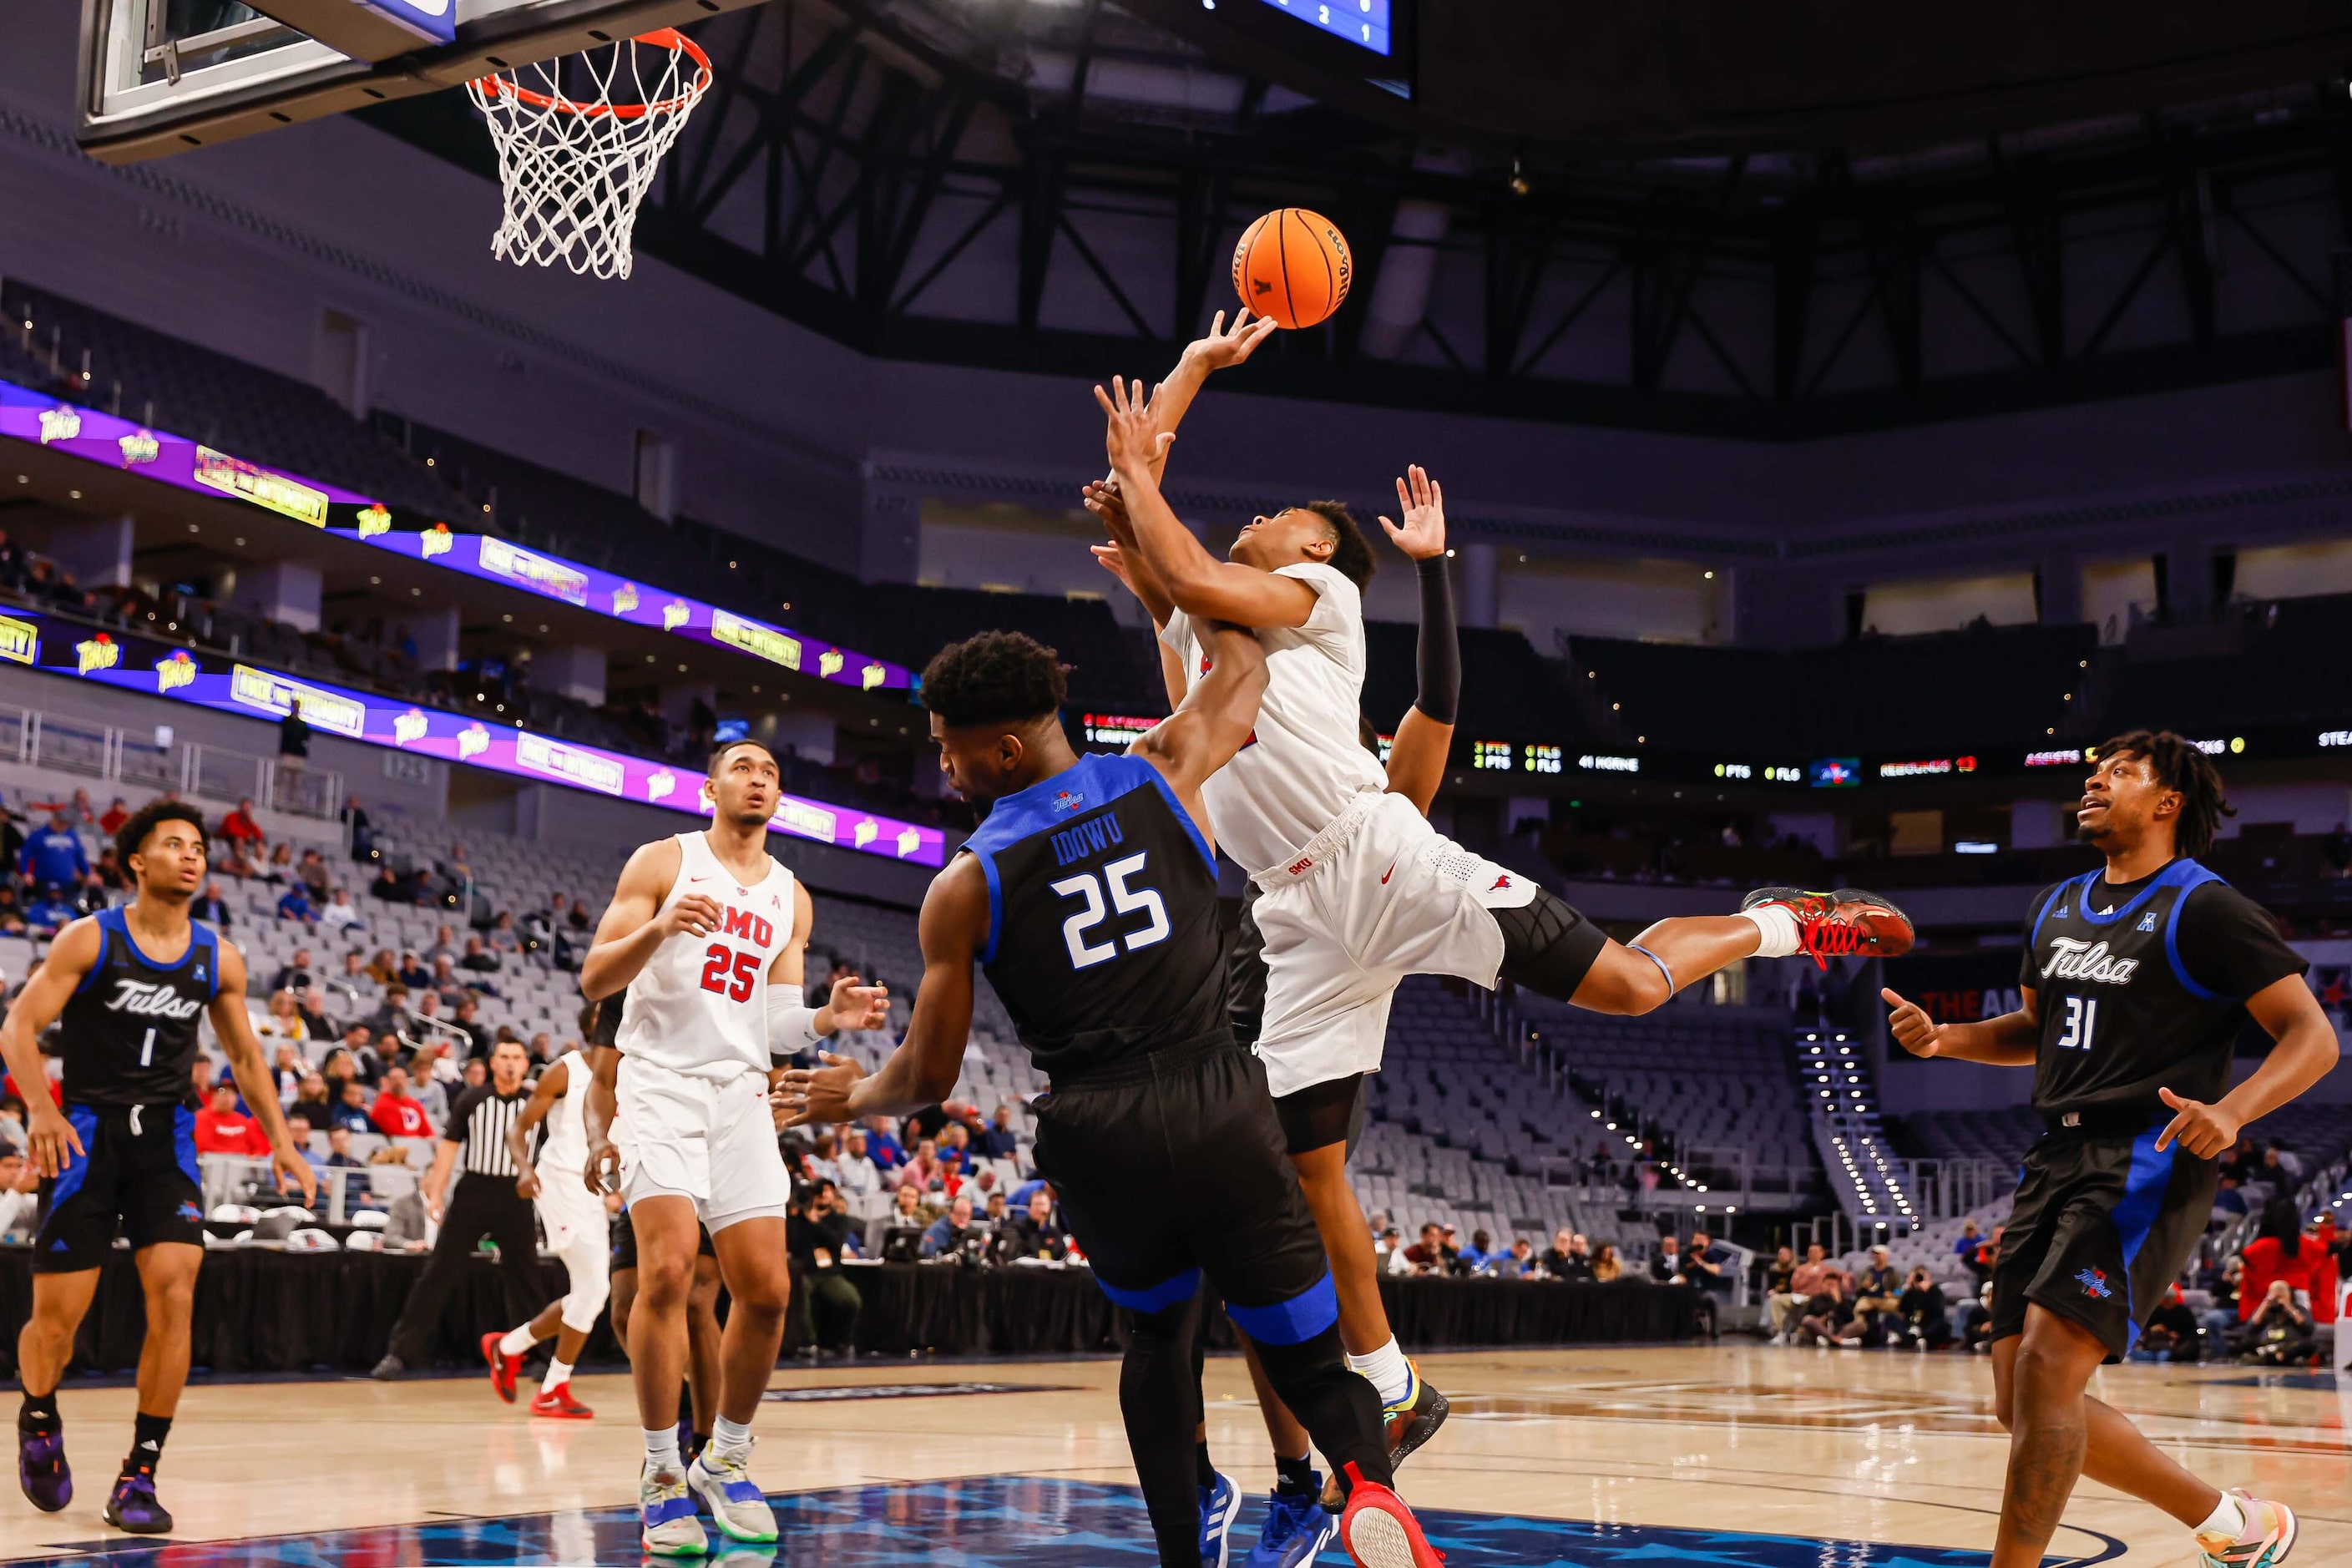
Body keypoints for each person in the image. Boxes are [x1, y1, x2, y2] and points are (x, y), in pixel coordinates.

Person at [1090, 337, 1914, 1480]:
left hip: (1378, 860)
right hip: (1290, 915)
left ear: (1319, 548)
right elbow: (1177, 626)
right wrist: (1183, 386)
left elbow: (1176, 541)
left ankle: (1775, 920)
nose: (1259, 520)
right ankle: (1387, 1389)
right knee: (1286, 1173)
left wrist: (1148, 480)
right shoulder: (1199, 627)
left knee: (1627, 986)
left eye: (1279, 513)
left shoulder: (1319, 597)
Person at [779, 607, 1441, 1559]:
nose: (946, 770)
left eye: (951, 752)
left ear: (1003, 751)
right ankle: (1366, 1483)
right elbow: (1246, 664)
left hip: (1101, 1131)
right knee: (1302, 1349)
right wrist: (1160, 556)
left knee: (1157, 1348)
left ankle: (1184, 1547)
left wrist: (854, 1098)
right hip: (1219, 1096)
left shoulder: (964, 885)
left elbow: (927, 1076)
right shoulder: (1163, 767)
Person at [1882, 731, 2337, 1568]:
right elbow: (2036, 1029)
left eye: (2119, 772)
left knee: (2051, 1371)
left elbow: (2312, 1038)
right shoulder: (2055, 905)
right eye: (2093, 771)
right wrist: (1947, 1040)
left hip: (2147, 1157)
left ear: (2167, 802)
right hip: (2053, 1156)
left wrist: (2233, 1111)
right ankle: (2235, 1524)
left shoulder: (2208, 907)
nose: (2094, 780)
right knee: (2018, 1402)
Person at [578, 739, 888, 1555]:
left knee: (767, 1291)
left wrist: (827, 1020)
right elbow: (595, 979)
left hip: (741, 1092)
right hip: (660, 1086)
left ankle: (727, 1456)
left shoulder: (791, 894)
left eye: (771, 773)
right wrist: (660, 930)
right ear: (711, 787)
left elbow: (777, 1022)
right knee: (670, 1270)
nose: (759, 780)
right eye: (744, 768)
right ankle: (659, 1472)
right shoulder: (662, 861)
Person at [2, 802, 313, 1533]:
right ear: (137, 861)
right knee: (56, 1322)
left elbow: (243, 1056)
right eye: (173, 844)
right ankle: (39, 1413)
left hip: (165, 1142)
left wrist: (283, 1141)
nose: (191, 855)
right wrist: (40, 1110)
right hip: (82, 1136)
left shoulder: (218, 956)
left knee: (175, 1295)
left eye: (199, 846)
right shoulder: (90, 938)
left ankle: (138, 1475)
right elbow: (17, 1026)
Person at [372, 1040, 542, 1381]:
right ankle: (400, 1353)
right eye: (504, 1057)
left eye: (516, 1058)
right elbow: (448, 1148)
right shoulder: (473, 1099)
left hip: (517, 1195)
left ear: (525, 1065)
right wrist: (436, 1192)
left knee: (525, 1276)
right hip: (475, 1191)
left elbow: (553, 1150)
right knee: (439, 1271)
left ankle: (537, 1355)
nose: (510, 1064)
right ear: (493, 1063)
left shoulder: (537, 1104)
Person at [483, 1034, 609, 1419]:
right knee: (594, 1287)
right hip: (559, 1182)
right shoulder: (565, 1070)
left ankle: (507, 1347)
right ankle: (553, 1387)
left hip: (593, 1187)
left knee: (591, 1292)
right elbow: (518, 1128)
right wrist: (524, 1168)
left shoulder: (628, 1072)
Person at [787, 1180, 862, 1358]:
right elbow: (793, 1245)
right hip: (804, 1272)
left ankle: (844, 1341)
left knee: (851, 1299)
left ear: (834, 1194)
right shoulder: (797, 1220)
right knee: (801, 1291)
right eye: (819, 1191)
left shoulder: (839, 1219)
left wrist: (817, 1223)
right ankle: (808, 1342)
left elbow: (836, 1243)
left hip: (829, 1274)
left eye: (827, 1190)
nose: (823, 1194)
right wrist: (800, 1215)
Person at [2238, 1281, 2317, 1367]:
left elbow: (2309, 1328)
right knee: (2245, 1341)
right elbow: (2250, 1328)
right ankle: (2271, 1358)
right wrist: (2265, 1305)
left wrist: (2289, 1308)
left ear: (2289, 1296)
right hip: (2268, 1346)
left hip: (2289, 1347)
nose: (2278, 1301)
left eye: (2281, 1297)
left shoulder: (2298, 1309)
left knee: (2309, 1344)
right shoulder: (2265, 1310)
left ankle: (2279, 1358)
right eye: (2276, 1297)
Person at [191, 1080, 270, 1156]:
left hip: (243, 1165)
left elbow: (258, 1147)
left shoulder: (242, 1120)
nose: (227, 1097)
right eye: (222, 1092)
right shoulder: (202, 1117)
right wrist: (235, 1156)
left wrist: (254, 1156)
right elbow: (203, 1146)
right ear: (213, 1096)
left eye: (231, 1093)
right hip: (214, 1164)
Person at [368, 1066, 432, 1138]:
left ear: (407, 1081)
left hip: (418, 1145)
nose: (398, 1082)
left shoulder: (415, 1105)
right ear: (388, 1082)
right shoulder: (382, 1105)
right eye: (394, 1079)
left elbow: (428, 1132)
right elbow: (395, 1134)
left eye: (401, 1078)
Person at [278, 699, 309, 776]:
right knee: (285, 775)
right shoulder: (287, 720)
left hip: (299, 754)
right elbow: (288, 733)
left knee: (297, 778)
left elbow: (306, 737)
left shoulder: (303, 724)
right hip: (288, 752)